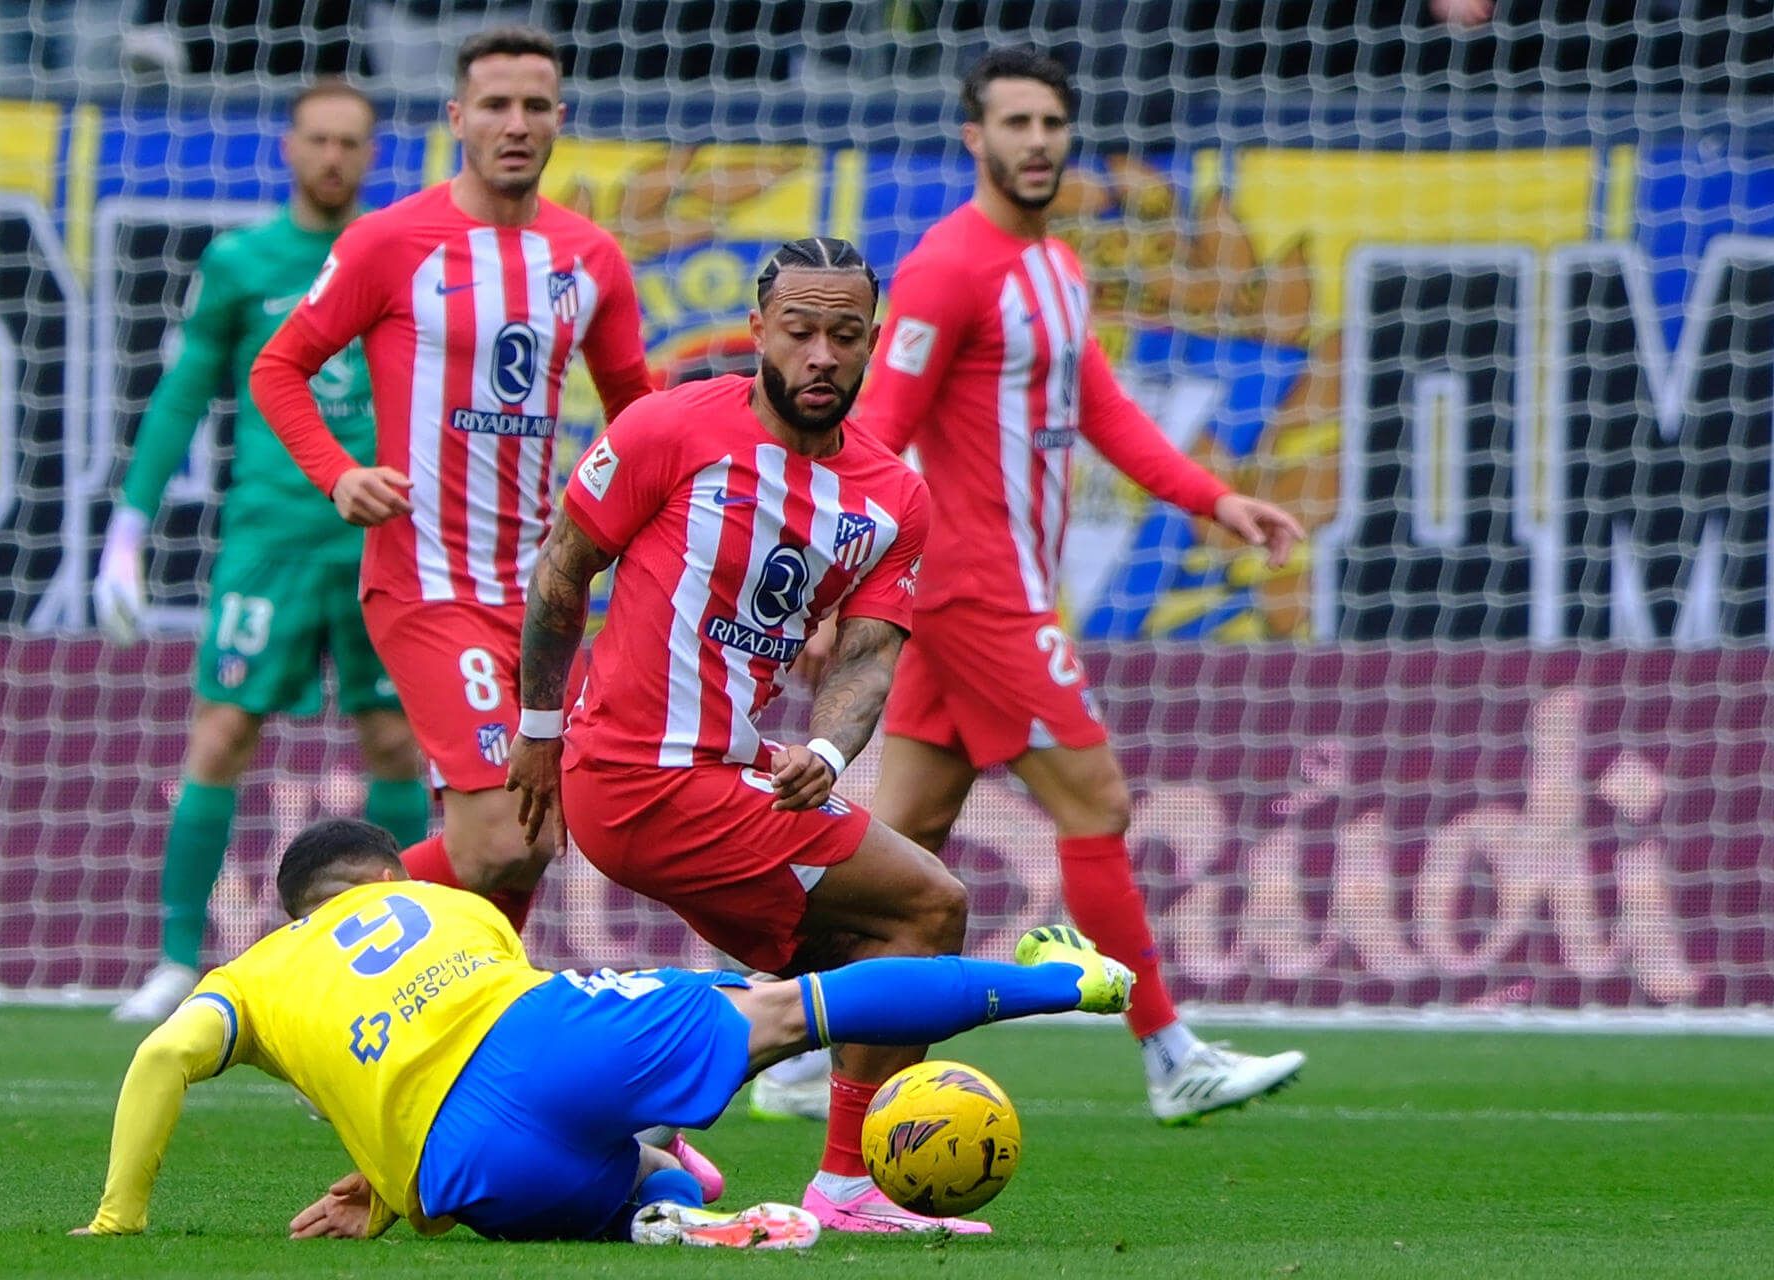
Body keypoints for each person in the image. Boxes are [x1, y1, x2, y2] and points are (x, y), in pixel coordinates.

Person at [509, 236, 1017, 1236]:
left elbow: (869, 655)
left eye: (845, 333)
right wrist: (534, 730)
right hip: (634, 771)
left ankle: (629, 1120)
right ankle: (847, 1180)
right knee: (929, 903)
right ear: (757, 332)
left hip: (729, 775)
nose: (822, 354)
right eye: (799, 331)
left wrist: (827, 754)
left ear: (873, 342)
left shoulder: (888, 497)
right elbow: (563, 571)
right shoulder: (666, 429)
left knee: (852, 953)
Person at [843, 46, 1308, 1125]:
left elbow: (1104, 409)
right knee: (1096, 801)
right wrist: (842, 579)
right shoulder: (947, 267)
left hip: (1003, 586)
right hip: (971, 589)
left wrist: (1214, 500)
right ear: (975, 137)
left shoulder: (1055, 266)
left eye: (1052, 123)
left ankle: (792, 1035)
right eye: (1015, 123)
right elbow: (877, 431)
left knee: (900, 852)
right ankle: (1171, 1053)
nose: (1038, 142)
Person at [74, 817, 1133, 1246]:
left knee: (635, 1192)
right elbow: (511, 1032)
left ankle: (672, 1196)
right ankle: (1065, 981)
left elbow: (164, 1053)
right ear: (392, 875)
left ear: (295, 910)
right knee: (781, 1009)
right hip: (535, 1039)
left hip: (460, 1171)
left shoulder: (251, 974)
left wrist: (120, 1216)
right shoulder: (454, 904)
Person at [251, 27, 653, 930]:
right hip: (426, 582)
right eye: (496, 106)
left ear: (560, 120)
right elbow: (278, 369)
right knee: (498, 841)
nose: (516, 124)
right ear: (456, 118)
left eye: (535, 106)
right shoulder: (391, 242)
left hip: (541, 592)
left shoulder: (589, 259)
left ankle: (473, 1026)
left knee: (536, 825)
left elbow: (639, 413)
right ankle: (305, 950)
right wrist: (339, 475)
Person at [97, 80, 429, 1024]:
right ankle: (173, 959)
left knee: (395, 741)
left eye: (351, 142)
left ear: (372, 155)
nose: (333, 157)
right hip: (269, 542)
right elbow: (184, 393)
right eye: (318, 140)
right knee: (223, 731)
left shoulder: (398, 255)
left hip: (381, 539)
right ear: (289, 149)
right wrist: (128, 527)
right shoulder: (243, 263)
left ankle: (391, 950)